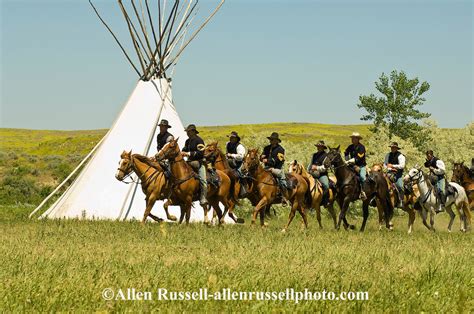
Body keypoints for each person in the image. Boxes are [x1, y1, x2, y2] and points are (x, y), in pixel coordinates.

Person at [182, 124, 208, 206]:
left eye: (189, 131)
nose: (187, 133)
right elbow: (185, 149)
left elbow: (200, 153)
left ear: (193, 131)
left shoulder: (199, 140)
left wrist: (188, 153)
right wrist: (182, 152)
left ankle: (203, 197)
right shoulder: (187, 141)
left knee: (203, 180)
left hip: (198, 162)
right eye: (187, 132)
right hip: (189, 162)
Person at [260, 132, 287, 200]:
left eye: (272, 139)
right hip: (266, 168)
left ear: (277, 141)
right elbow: (261, 157)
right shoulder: (266, 148)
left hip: (277, 168)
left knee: (282, 179)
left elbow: (279, 160)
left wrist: (268, 161)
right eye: (270, 139)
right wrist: (261, 157)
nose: (271, 141)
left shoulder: (281, 149)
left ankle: (284, 195)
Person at [344, 132, 367, 200]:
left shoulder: (362, 147)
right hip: (352, 165)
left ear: (358, 139)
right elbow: (346, 152)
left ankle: (363, 192)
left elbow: (359, 158)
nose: (352, 139)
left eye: (354, 138)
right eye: (352, 138)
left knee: (362, 177)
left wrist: (348, 161)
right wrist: (347, 160)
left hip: (361, 166)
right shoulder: (350, 146)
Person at [383, 142, 406, 206]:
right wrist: (390, 168)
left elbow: (402, 166)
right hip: (389, 172)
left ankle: (401, 201)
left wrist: (393, 166)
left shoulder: (401, 156)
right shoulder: (388, 155)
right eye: (391, 147)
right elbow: (385, 164)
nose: (392, 149)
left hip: (398, 174)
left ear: (396, 148)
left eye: (394, 147)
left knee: (400, 186)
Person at [309, 140, 330, 205]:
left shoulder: (326, 156)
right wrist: (308, 170)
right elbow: (310, 164)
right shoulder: (314, 155)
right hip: (312, 173)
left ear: (323, 147)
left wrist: (316, 168)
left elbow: (325, 167)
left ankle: (325, 201)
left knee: (326, 185)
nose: (318, 147)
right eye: (317, 146)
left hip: (322, 174)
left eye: (319, 146)